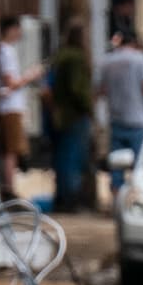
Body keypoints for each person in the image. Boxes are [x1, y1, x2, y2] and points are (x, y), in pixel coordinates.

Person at [95, 27, 143, 193]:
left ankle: (116, 202)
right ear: (134, 42)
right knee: (140, 166)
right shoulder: (140, 59)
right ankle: (138, 200)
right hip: (138, 120)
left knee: (116, 167)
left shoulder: (106, 61)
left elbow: (100, 90)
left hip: (115, 119)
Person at [46, 24, 95, 213]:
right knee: (73, 159)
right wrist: (88, 107)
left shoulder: (59, 57)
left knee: (62, 158)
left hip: (59, 115)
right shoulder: (76, 58)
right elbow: (77, 89)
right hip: (74, 115)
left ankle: (61, 197)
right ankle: (71, 201)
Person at [0, 16, 32, 190]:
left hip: (7, 107)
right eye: (17, 29)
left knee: (10, 151)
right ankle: (10, 190)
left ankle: (8, 188)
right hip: (10, 107)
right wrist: (30, 76)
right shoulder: (6, 51)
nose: (20, 33)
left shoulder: (1, 50)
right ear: (9, 30)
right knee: (11, 152)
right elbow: (11, 83)